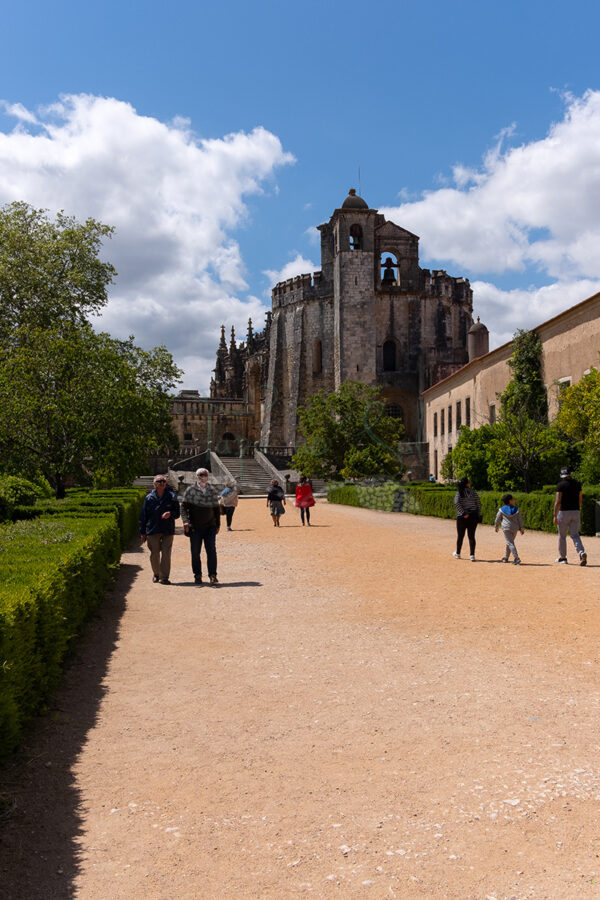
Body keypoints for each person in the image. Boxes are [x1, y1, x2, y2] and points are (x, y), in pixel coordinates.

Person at [139, 474, 180, 585]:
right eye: (159, 481)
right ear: (155, 484)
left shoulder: (172, 496)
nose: (162, 483)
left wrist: (170, 513)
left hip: (168, 529)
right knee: (154, 554)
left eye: (163, 481)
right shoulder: (149, 498)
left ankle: (164, 577)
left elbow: (177, 513)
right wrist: (143, 532)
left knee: (166, 554)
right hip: (153, 529)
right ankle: (156, 574)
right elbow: (143, 515)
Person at [181, 467, 221, 584]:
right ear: (197, 477)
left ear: (207, 477)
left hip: (210, 526)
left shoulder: (212, 490)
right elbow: (183, 507)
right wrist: (185, 521)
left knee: (211, 551)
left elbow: (216, 509)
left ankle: (212, 575)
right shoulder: (190, 490)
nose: (203, 477)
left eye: (205, 475)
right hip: (195, 526)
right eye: (201, 475)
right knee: (195, 552)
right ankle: (197, 575)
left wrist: (217, 524)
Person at [554, 466, 587, 565]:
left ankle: (563, 558)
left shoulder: (560, 485)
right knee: (575, 535)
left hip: (564, 512)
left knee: (562, 536)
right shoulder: (577, 484)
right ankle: (581, 552)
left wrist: (555, 515)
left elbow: (558, 501)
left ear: (562, 475)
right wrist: (578, 509)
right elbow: (580, 500)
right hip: (576, 511)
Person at [452, 476, 481, 561]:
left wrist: (463, 513)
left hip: (462, 517)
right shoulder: (473, 492)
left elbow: (456, 503)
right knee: (471, 536)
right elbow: (478, 504)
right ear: (467, 484)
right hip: (473, 516)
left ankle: (458, 553)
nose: (470, 483)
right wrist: (477, 514)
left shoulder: (459, 493)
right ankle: (472, 555)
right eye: (469, 482)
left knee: (460, 536)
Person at [494, 493, 525, 565]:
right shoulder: (516, 509)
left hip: (506, 528)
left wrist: (496, 526)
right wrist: (521, 528)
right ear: (510, 501)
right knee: (510, 542)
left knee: (510, 542)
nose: (514, 500)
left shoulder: (501, 509)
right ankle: (506, 557)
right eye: (513, 499)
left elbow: (497, 518)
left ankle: (516, 558)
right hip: (515, 528)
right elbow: (520, 519)